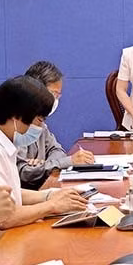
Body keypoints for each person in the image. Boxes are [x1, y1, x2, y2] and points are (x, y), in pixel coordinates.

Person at [0, 76, 88, 251]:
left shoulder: (0, 142)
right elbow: (4, 217)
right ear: (16, 116)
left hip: (4, 242)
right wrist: (51, 206)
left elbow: (11, 193)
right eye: (39, 120)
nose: (40, 127)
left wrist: (51, 195)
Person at [16, 61, 95, 189]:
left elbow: (57, 150)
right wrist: (67, 162)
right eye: (53, 94)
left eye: (58, 96)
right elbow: (25, 172)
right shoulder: (18, 124)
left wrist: (48, 163)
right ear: (35, 90)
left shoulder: (41, 124)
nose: (55, 101)